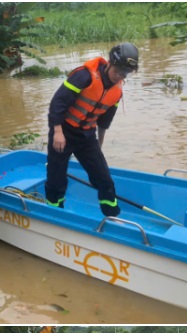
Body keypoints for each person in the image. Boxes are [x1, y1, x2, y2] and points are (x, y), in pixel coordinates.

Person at [45, 43, 137, 216]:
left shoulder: (117, 92)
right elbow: (58, 103)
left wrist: (99, 144)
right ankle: (54, 212)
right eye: (119, 71)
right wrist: (57, 132)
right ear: (110, 62)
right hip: (64, 131)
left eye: (125, 73)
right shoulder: (84, 76)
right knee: (56, 178)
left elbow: (104, 121)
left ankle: (112, 215)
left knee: (104, 178)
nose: (120, 76)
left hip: (87, 136)